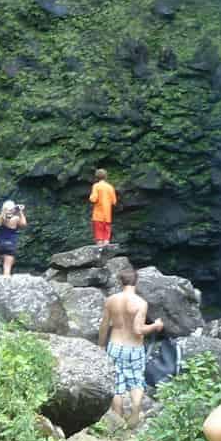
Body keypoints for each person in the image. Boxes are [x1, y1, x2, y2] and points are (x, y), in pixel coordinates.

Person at [97, 267, 163, 427]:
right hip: (134, 349)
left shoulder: (111, 300)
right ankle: (134, 415)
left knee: (116, 383)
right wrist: (155, 325)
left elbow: (104, 325)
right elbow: (138, 329)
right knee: (136, 382)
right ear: (136, 282)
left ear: (120, 281)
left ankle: (117, 418)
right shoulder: (140, 303)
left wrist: (100, 346)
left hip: (115, 346)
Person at [0, 201, 27, 276]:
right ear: (12, 209)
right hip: (10, 245)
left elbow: (6, 217)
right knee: (7, 268)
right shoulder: (15, 218)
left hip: (0, 245)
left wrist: (13, 210)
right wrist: (20, 211)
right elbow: (24, 224)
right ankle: (6, 282)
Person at [88, 168, 118, 246]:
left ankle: (100, 249)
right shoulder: (110, 187)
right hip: (107, 216)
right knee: (106, 237)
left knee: (99, 237)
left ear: (96, 177)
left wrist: (90, 197)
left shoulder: (96, 186)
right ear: (106, 176)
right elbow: (114, 202)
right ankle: (106, 248)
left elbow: (93, 199)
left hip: (98, 215)